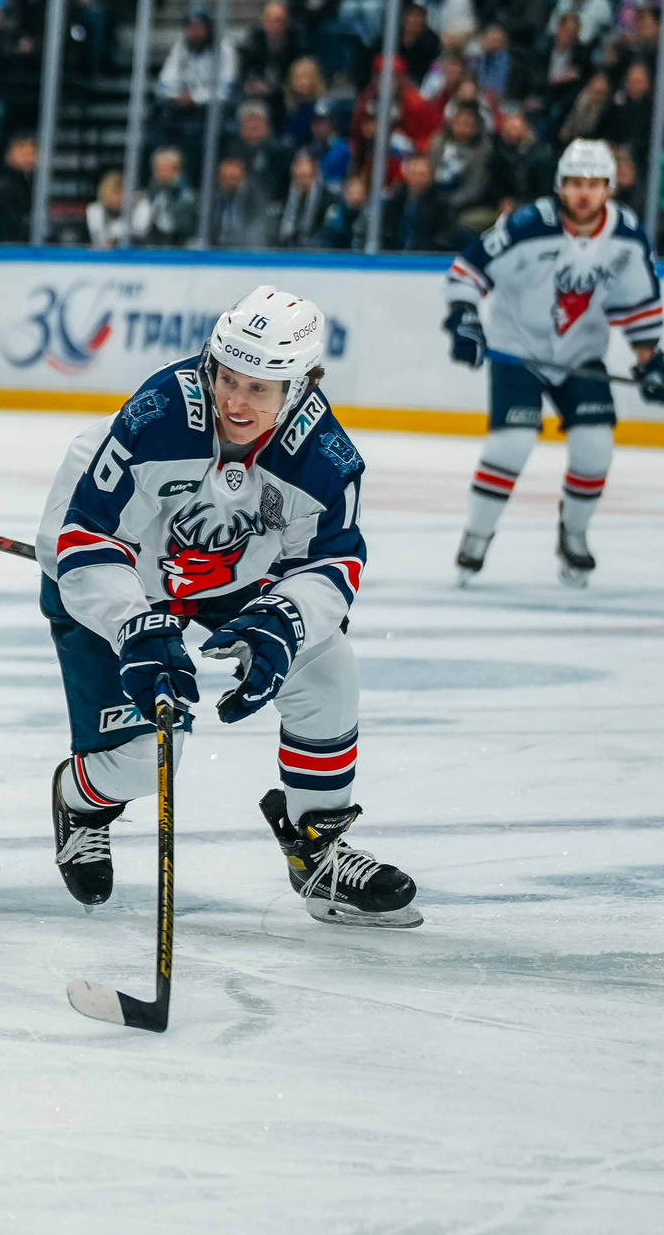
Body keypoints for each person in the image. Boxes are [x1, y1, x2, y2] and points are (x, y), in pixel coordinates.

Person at [36, 285, 419, 927]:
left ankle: (317, 849)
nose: (236, 402)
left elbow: (330, 564)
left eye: (259, 389)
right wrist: (133, 626)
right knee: (148, 760)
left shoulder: (325, 458)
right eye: (228, 379)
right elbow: (85, 540)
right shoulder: (159, 415)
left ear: (298, 387)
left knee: (327, 668)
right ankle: (82, 799)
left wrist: (285, 619)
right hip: (117, 577)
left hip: (233, 577)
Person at [442, 138, 664, 586]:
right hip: (518, 350)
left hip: (581, 354)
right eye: (574, 183)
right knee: (511, 444)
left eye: (594, 183)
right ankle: (478, 533)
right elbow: (467, 271)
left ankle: (574, 533)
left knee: (595, 446)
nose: (583, 193)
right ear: (560, 186)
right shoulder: (528, 225)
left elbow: (639, 306)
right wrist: (464, 318)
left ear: (609, 188)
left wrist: (650, 361)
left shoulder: (627, 236)